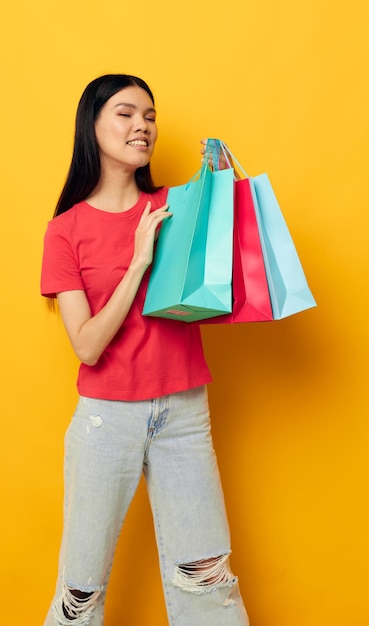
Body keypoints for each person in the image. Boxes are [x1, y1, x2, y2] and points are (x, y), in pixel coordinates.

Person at [40, 73, 249, 626]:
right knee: (78, 592)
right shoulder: (65, 231)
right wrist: (138, 261)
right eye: (127, 113)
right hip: (107, 420)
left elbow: (229, 281)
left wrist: (225, 196)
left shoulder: (177, 207)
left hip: (184, 413)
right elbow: (86, 347)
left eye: (150, 116)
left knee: (207, 581)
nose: (143, 126)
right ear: (93, 126)